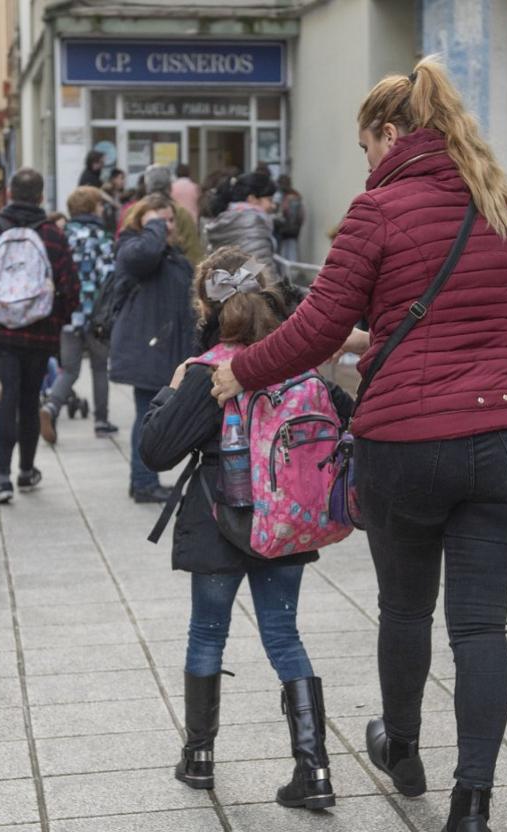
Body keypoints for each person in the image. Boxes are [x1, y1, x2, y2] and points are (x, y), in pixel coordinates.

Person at [210, 57, 507, 831]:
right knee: (481, 627)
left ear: (391, 134)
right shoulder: (500, 202)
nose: (366, 162)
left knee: (405, 607)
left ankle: (400, 746)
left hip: (413, 440)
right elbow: (455, 312)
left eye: (367, 146)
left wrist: (242, 374)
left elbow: (316, 328)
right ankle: (472, 805)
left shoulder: (381, 209)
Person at [141, 247, 349, 810]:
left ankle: (200, 758)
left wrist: (173, 385)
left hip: (219, 524)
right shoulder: (296, 368)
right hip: (285, 525)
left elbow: (155, 450)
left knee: (208, 632)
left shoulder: (211, 373)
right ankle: (316, 770)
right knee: (284, 636)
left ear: (207, 310)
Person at [0, 167, 80, 504]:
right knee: (29, 401)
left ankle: (1, 479)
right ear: (41, 197)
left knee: (3, 400)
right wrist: (56, 319)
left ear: (9, 194)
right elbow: (71, 287)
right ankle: (26, 470)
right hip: (39, 334)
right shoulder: (53, 235)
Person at [109, 193, 196, 503]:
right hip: (145, 348)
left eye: (170, 219)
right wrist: (155, 228)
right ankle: (144, 482)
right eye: (158, 219)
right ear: (141, 220)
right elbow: (143, 255)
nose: (166, 225)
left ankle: (143, 480)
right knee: (148, 416)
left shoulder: (171, 254)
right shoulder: (133, 247)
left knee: (153, 415)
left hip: (162, 347)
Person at [41, 187, 119, 443]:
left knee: (70, 369)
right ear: (92, 208)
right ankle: (101, 421)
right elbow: (110, 276)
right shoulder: (102, 237)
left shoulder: (62, 236)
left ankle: (51, 407)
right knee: (99, 367)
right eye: (98, 205)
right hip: (98, 315)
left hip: (69, 314)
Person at [121, 166, 204, 264]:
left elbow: (123, 246)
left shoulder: (133, 211)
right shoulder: (181, 213)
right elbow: (193, 253)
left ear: (147, 186)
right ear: (169, 187)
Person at [205, 171, 278, 271]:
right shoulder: (252, 224)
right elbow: (262, 271)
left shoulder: (226, 219)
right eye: (269, 200)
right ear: (252, 199)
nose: (273, 206)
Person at [274, 175, 305, 263]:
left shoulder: (292, 198)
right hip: (286, 230)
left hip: (289, 231)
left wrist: (285, 228)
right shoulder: (284, 195)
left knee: (290, 254)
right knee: (285, 253)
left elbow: (293, 219)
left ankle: (291, 275)